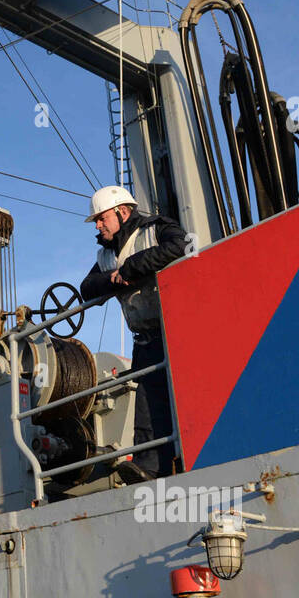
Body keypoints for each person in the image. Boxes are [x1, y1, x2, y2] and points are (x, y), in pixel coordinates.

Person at [80, 185, 186, 480]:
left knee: (180, 397)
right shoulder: (105, 257)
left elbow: (181, 246)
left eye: (102, 219)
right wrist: (114, 279)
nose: (98, 226)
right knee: (148, 406)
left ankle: (184, 459)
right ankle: (152, 469)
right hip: (146, 339)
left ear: (122, 211)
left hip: (176, 333)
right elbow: (87, 288)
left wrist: (132, 268)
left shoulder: (155, 230)